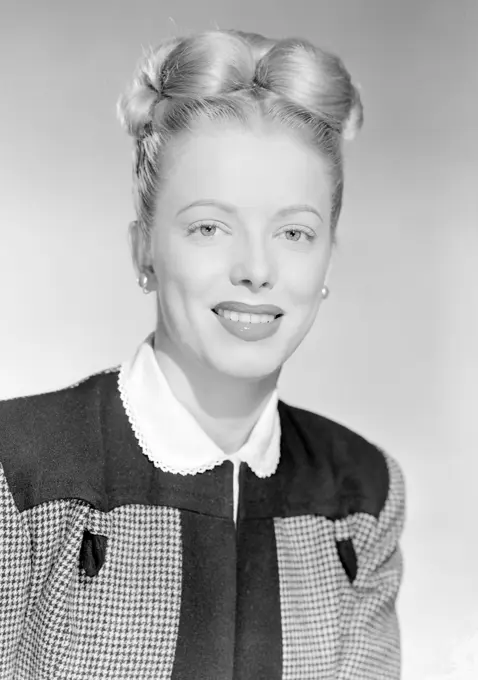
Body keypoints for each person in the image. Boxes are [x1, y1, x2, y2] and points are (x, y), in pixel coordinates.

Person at [0, 28, 405, 680]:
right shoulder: (18, 473)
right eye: (210, 227)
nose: (255, 268)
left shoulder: (362, 493)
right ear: (144, 250)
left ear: (327, 256)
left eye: (295, 232)